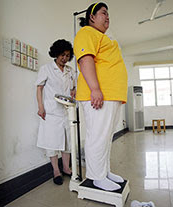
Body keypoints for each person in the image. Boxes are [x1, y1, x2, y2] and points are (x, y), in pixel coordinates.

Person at [74, 2, 128, 191]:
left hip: (112, 95)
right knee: (98, 136)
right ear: (91, 17)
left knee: (106, 137)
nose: (107, 17)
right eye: (103, 13)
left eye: (108, 14)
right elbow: (85, 59)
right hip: (99, 95)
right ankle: (97, 176)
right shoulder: (86, 33)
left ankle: (104, 171)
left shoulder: (104, 38)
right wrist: (95, 89)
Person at [36, 39, 76, 185]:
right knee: (52, 144)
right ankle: (56, 171)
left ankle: (66, 168)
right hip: (51, 112)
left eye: (67, 56)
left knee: (67, 142)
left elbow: (73, 88)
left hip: (66, 112)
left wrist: (74, 91)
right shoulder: (46, 69)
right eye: (62, 55)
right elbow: (39, 88)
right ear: (56, 54)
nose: (64, 58)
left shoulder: (70, 71)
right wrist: (41, 107)